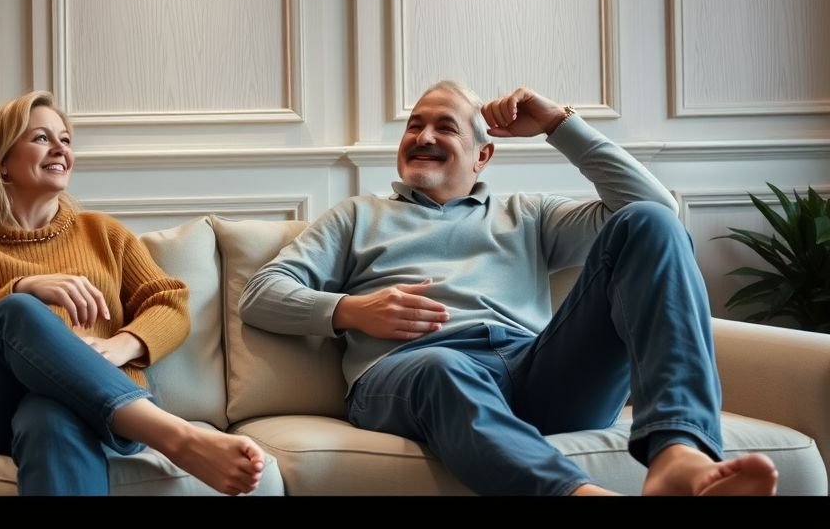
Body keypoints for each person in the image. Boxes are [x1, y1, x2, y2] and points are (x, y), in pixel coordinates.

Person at [239, 80, 779, 496]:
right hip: (413, 372)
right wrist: (352, 311)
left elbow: (657, 211)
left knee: (648, 224)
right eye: (414, 125)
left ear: (483, 154)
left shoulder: (530, 215)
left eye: (445, 127)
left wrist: (558, 124)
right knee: (441, 367)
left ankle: (678, 455)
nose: (423, 137)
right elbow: (262, 292)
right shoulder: (357, 216)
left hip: (535, 370)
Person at [0, 90, 266, 496]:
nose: (60, 149)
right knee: (18, 310)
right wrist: (22, 288)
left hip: (74, 401)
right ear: (2, 162)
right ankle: (176, 438)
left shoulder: (104, 234)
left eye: (65, 140)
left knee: (50, 417)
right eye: (41, 138)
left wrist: (122, 345)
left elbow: (169, 301)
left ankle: (151, 426)